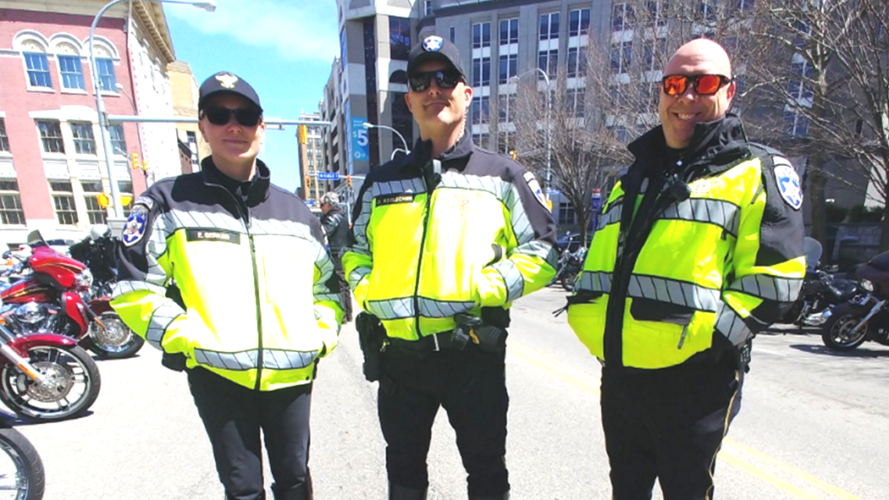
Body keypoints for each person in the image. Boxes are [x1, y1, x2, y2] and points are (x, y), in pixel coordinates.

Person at [567, 39, 806, 500]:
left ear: (729, 92)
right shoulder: (634, 175)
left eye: (705, 84)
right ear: (661, 93)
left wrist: (711, 345)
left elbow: (777, 280)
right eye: (676, 83)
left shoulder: (757, 170)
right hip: (621, 377)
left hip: (695, 383)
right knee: (626, 491)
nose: (688, 97)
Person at [343, 36, 558, 500]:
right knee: (403, 472)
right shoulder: (382, 181)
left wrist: (486, 286)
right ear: (409, 98)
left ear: (466, 93)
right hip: (400, 356)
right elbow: (356, 248)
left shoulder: (504, 176)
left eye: (445, 78)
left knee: (484, 473)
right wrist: (369, 284)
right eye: (421, 80)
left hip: (471, 352)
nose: (433, 88)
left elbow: (543, 251)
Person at [110, 71, 343, 500]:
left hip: (292, 376)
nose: (234, 126)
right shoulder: (167, 202)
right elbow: (132, 287)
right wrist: (188, 339)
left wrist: (320, 337)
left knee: (294, 480)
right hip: (218, 377)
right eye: (220, 115)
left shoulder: (297, 213)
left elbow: (329, 290)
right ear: (202, 126)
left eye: (246, 116)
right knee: (243, 488)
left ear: (262, 127)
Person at [319, 191, 353, 323]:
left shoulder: (332, 217)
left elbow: (323, 231)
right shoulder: (342, 215)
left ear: (329, 204)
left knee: (340, 284)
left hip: (336, 253)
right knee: (344, 284)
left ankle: (343, 315)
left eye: (322, 205)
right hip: (343, 252)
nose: (321, 208)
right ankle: (348, 313)